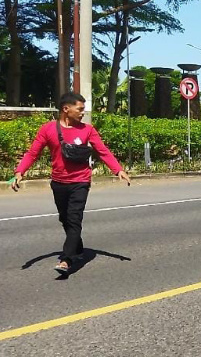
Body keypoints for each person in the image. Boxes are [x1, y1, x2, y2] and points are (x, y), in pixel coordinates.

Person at [11, 92, 131, 275]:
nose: (83, 113)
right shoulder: (48, 129)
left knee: (74, 218)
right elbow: (32, 153)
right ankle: (78, 247)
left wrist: (118, 170)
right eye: (80, 109)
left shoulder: (87, 130)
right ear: (66, 109)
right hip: (59, 182)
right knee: (65, 218)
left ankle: (66, 259)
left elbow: (103, 151)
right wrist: (20, 172)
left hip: (80, 181)